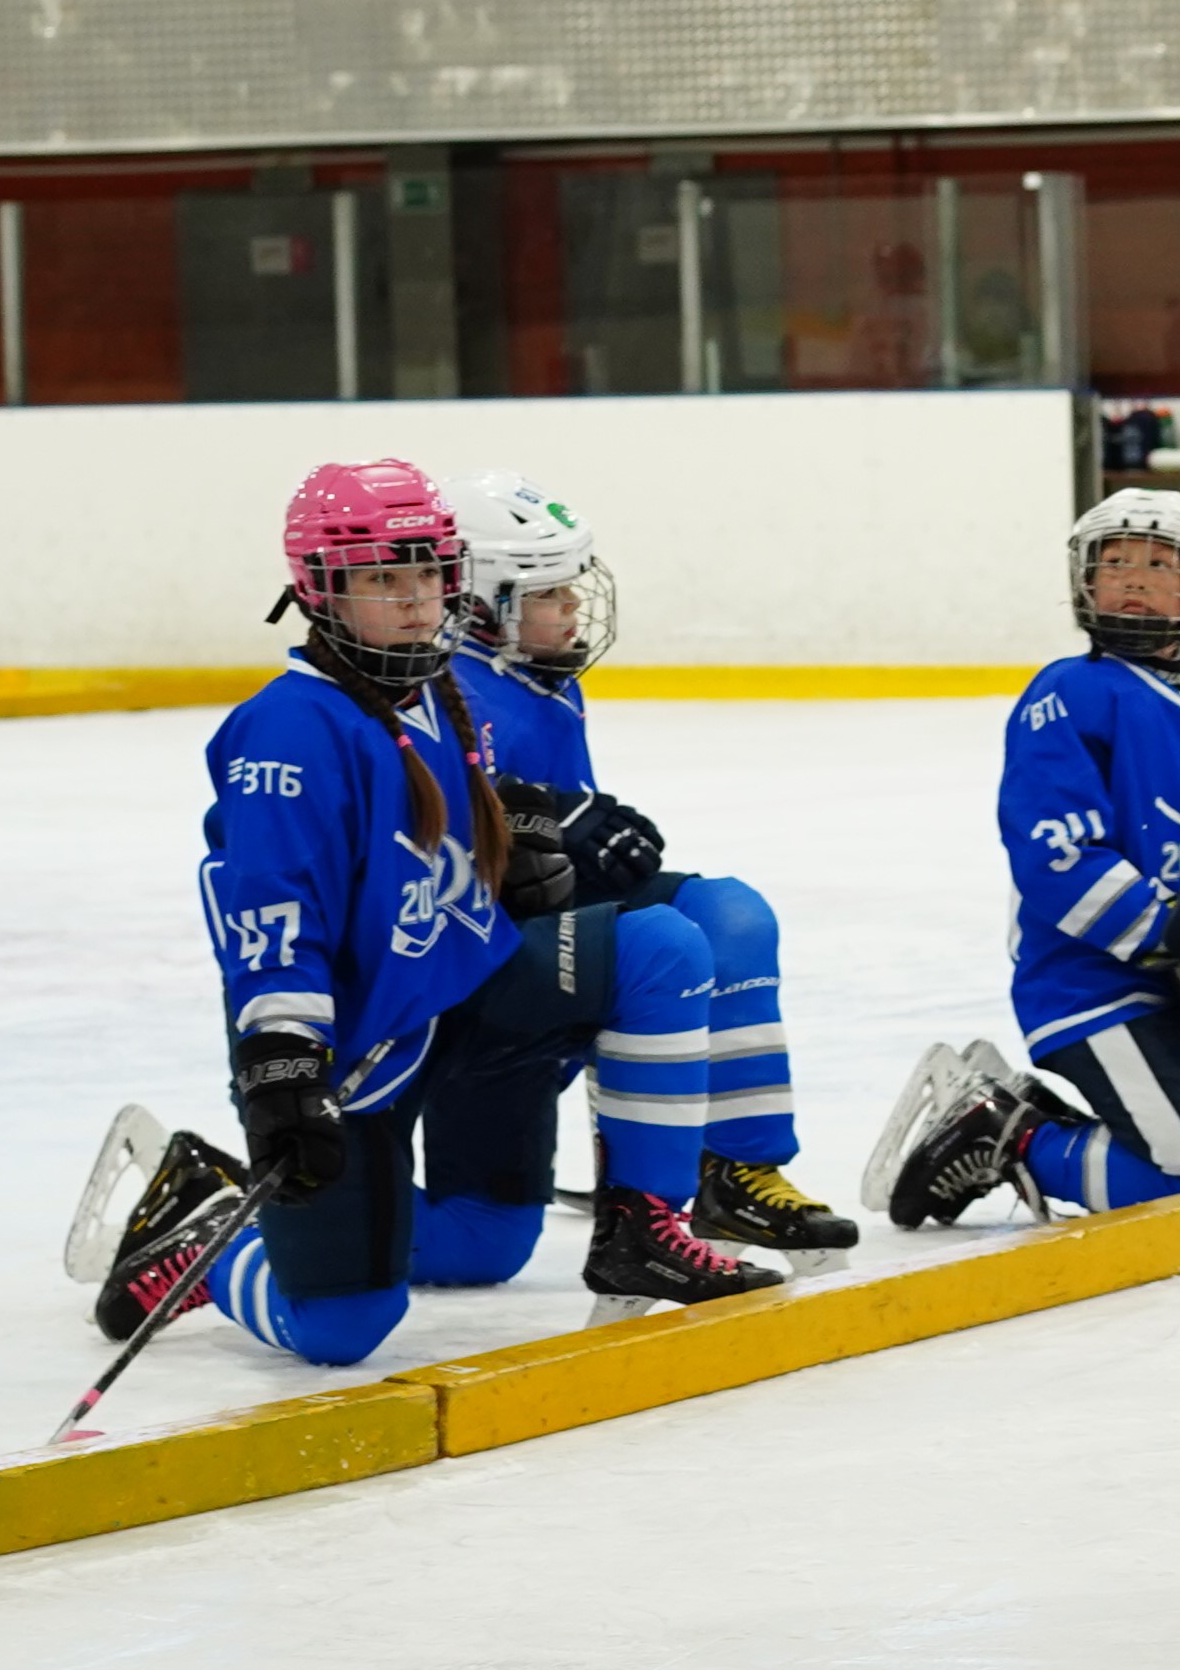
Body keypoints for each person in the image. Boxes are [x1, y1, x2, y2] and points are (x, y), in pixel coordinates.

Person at [87, 460, 781, 1365]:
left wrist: (520, 855)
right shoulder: (292, 730)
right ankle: (212, 1238)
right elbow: (269, 916)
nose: (416, 601)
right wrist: (281, 1064)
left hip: (462, 1001)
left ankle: (642, 1229)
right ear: (319, 590)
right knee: (341, 1330)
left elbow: (444, 837)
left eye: (428, 573)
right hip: (349, 1049)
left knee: (656, 951)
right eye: (384, 579)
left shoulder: (435, 694)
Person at [439, 468, 859, 1282]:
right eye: (550, 591)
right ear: (481, 597)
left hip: (554, 934)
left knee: (729, 917)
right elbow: (451, 830)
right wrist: (545, 814)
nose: (574, 607)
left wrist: (569, 827)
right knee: (477, 1245)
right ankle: (252, 1222)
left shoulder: (543, 680)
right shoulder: (446, 688)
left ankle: (732, 1171)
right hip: (482, 983)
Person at [877, 489, 1180, 1226]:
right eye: (1114, 562)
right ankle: (1010, 1131)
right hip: (1094, 988)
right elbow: (1055, 854)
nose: (1135, 578)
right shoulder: (1067, 694)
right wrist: (1170, 939)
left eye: (1157, 563)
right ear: (1084, 578)